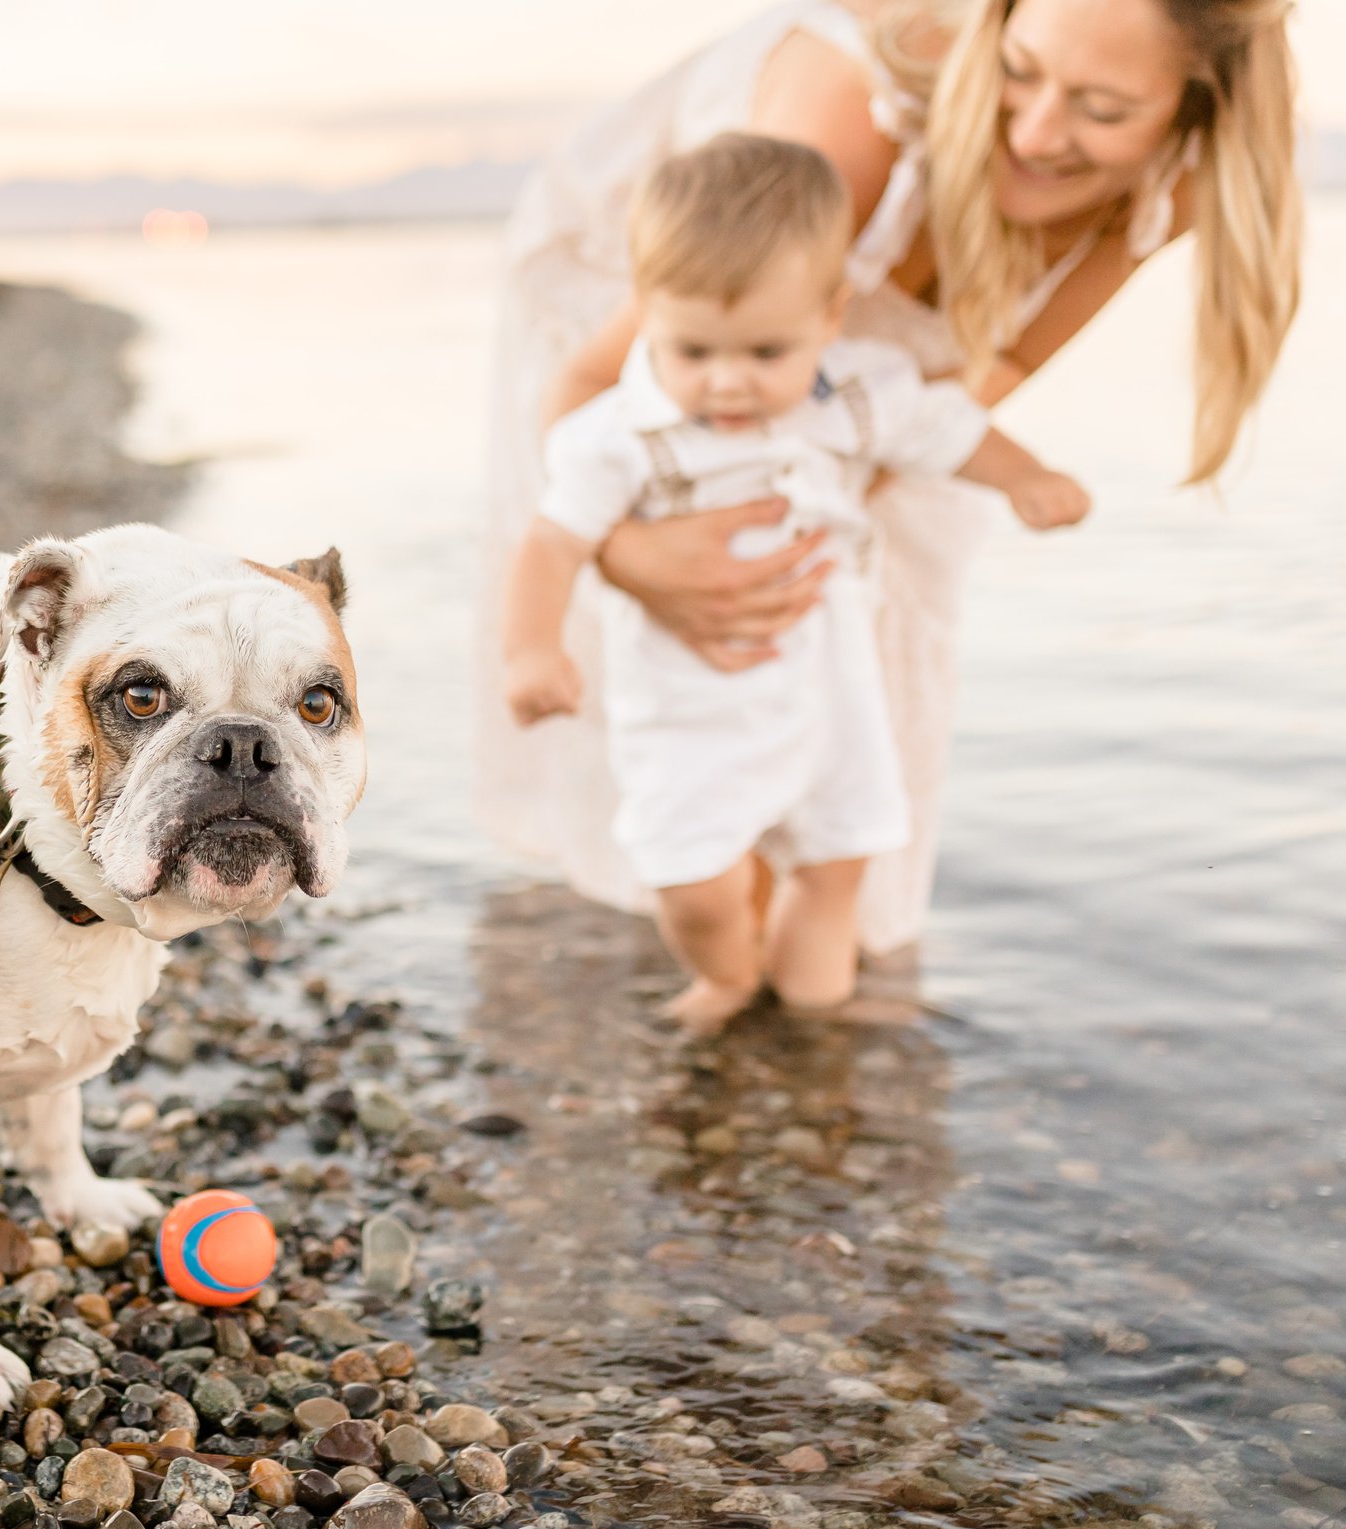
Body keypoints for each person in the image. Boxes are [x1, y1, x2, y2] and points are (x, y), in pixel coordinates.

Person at [476, 0, 1302, 958]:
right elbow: (592, 383)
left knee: (855, 670)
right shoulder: (845, 127)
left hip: (875, 394)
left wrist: (807, 516)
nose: (1036, 132)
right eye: (1021, 70)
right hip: (653, 325)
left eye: (1104, 110)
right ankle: (684, 954)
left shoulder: (1176, 187)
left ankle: (821, 998)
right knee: (666, 683)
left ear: (1195, 109)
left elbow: (989, 370)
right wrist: (629, 555)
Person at [502, 135, 1089, 1031]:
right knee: (693, 880)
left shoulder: (855, 395)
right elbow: (550, 543)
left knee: (836, 865)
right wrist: (531, 649)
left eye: (766, 352)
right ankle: (728, 976)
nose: (728, 381)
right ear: (647, 311)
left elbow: (951, 429)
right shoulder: (621, 433)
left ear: (830, 317)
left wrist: (1027, 476)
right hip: (691, 709)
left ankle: (820, 1018)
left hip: (831, 692)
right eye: (692, 350)